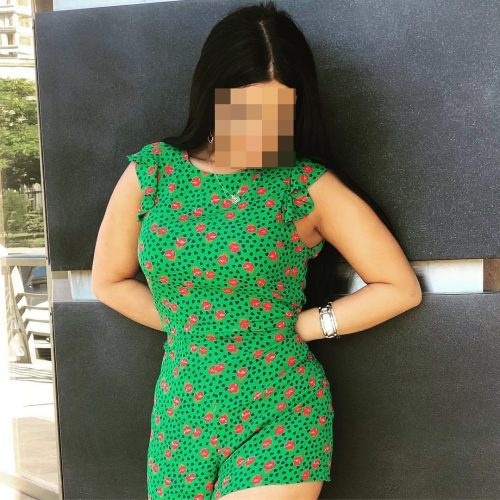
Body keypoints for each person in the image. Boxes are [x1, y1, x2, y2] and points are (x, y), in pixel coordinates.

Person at [91, 2, 422, 499]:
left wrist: (299, 327)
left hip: (280, 410)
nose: (259, 130)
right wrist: (197, 327)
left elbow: (399, 288)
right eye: (244, 112)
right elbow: (109, 281)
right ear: (210, 97)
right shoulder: (153, 171)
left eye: (276, 114)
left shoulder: (304, 186)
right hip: (181, 415)